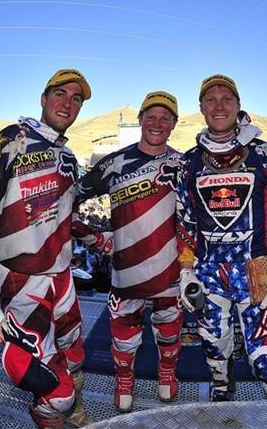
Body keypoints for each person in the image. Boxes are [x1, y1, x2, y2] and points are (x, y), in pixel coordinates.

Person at [0, 69, 93, 429]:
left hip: (62, 275)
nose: (68, 104)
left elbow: (68, 214)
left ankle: (75, 410)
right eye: (60, 94)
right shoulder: (10, 139)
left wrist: (97, 238)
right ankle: (50, 413)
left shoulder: (68, 157)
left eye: (76, 99)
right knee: (54, 390)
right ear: (43, 99)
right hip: (19, 279)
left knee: (74, 353)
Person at [176, 74, 267, 403]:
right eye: (211, 100)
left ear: (238, 105)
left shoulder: (266, 154)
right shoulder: (188, 162)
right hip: (208, 272)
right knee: (213, 350)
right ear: (201, 108)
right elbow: (185, 221)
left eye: (226, 99)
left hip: (257, 272)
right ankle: (222, 397)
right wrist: (186, 271)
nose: (219, 106)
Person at [75, 91, 183, 412]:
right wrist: (93, 237)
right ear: (139, 120)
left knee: (169, 329)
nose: (157, 123)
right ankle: (124, 380)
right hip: (126, 269)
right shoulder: (114, 162)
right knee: (124, 334)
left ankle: (167, 372)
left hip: (171, 269)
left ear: (174, 124)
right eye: (151, 116)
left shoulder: (185, 164)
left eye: (165, 118)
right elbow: (70, 197)